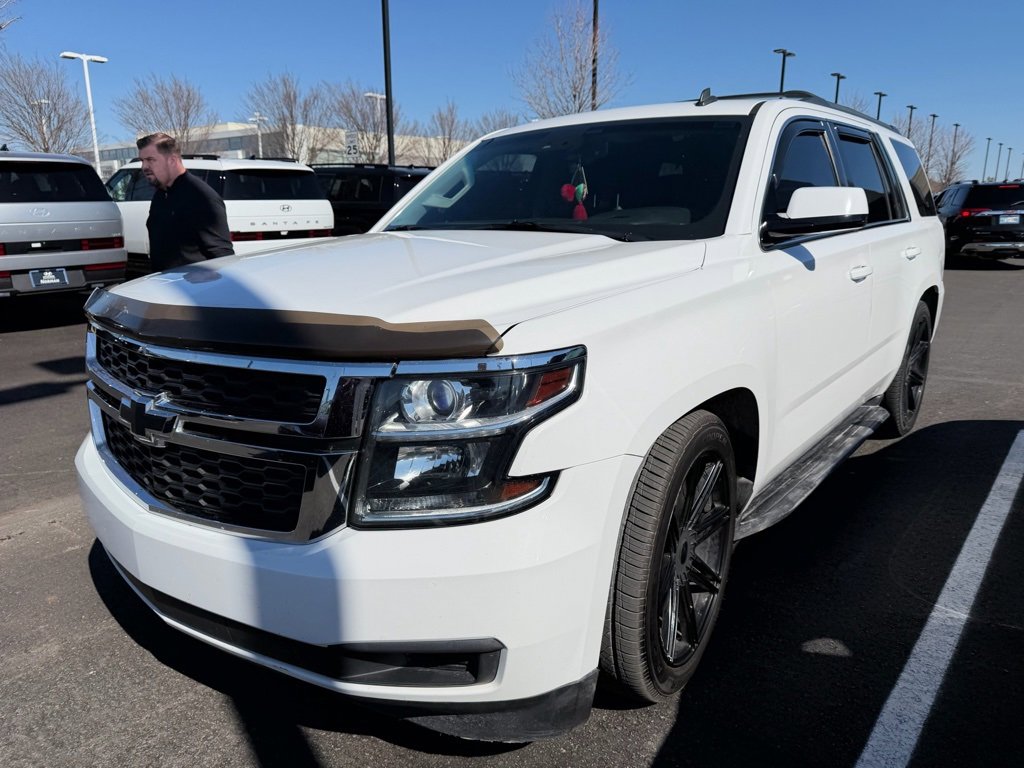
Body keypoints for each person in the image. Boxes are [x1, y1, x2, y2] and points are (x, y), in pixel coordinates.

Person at [137, 132, 233, 271]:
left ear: (172, 160)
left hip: (194, 289)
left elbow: (222, 256)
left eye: (151, 159)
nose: (144, 167)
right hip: (164, 287)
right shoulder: (161, 195)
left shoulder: (200, 196)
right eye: (142, 161)